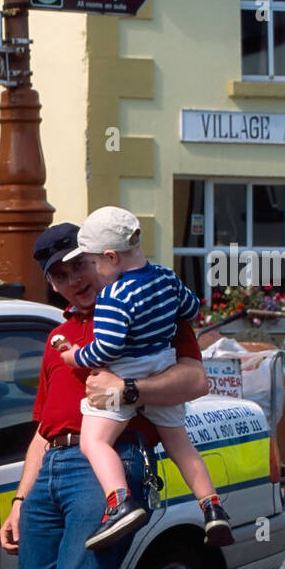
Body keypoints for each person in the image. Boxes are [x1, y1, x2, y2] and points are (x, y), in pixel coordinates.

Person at [0, 221, 208, 569]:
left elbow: (195, 380)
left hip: (107, 466)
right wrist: (22, 498)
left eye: (78, 267)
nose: (73, 282)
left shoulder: (146, 311)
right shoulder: (58, 336)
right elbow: (44, 427)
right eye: (59, 276)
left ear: (101, 260)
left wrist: (130, 391)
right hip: (52, 472)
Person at [53, 206, 232, 550]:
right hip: (164, 363)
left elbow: (105, 350)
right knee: (181, 444)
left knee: (94, 441)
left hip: (126, 371)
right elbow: (192, 309)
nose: (92, 270)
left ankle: (120, 502)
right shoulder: (166, 277)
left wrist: (74, 356)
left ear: (110, 257)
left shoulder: (113, 297)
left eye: (92, 262)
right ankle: (212, 507)